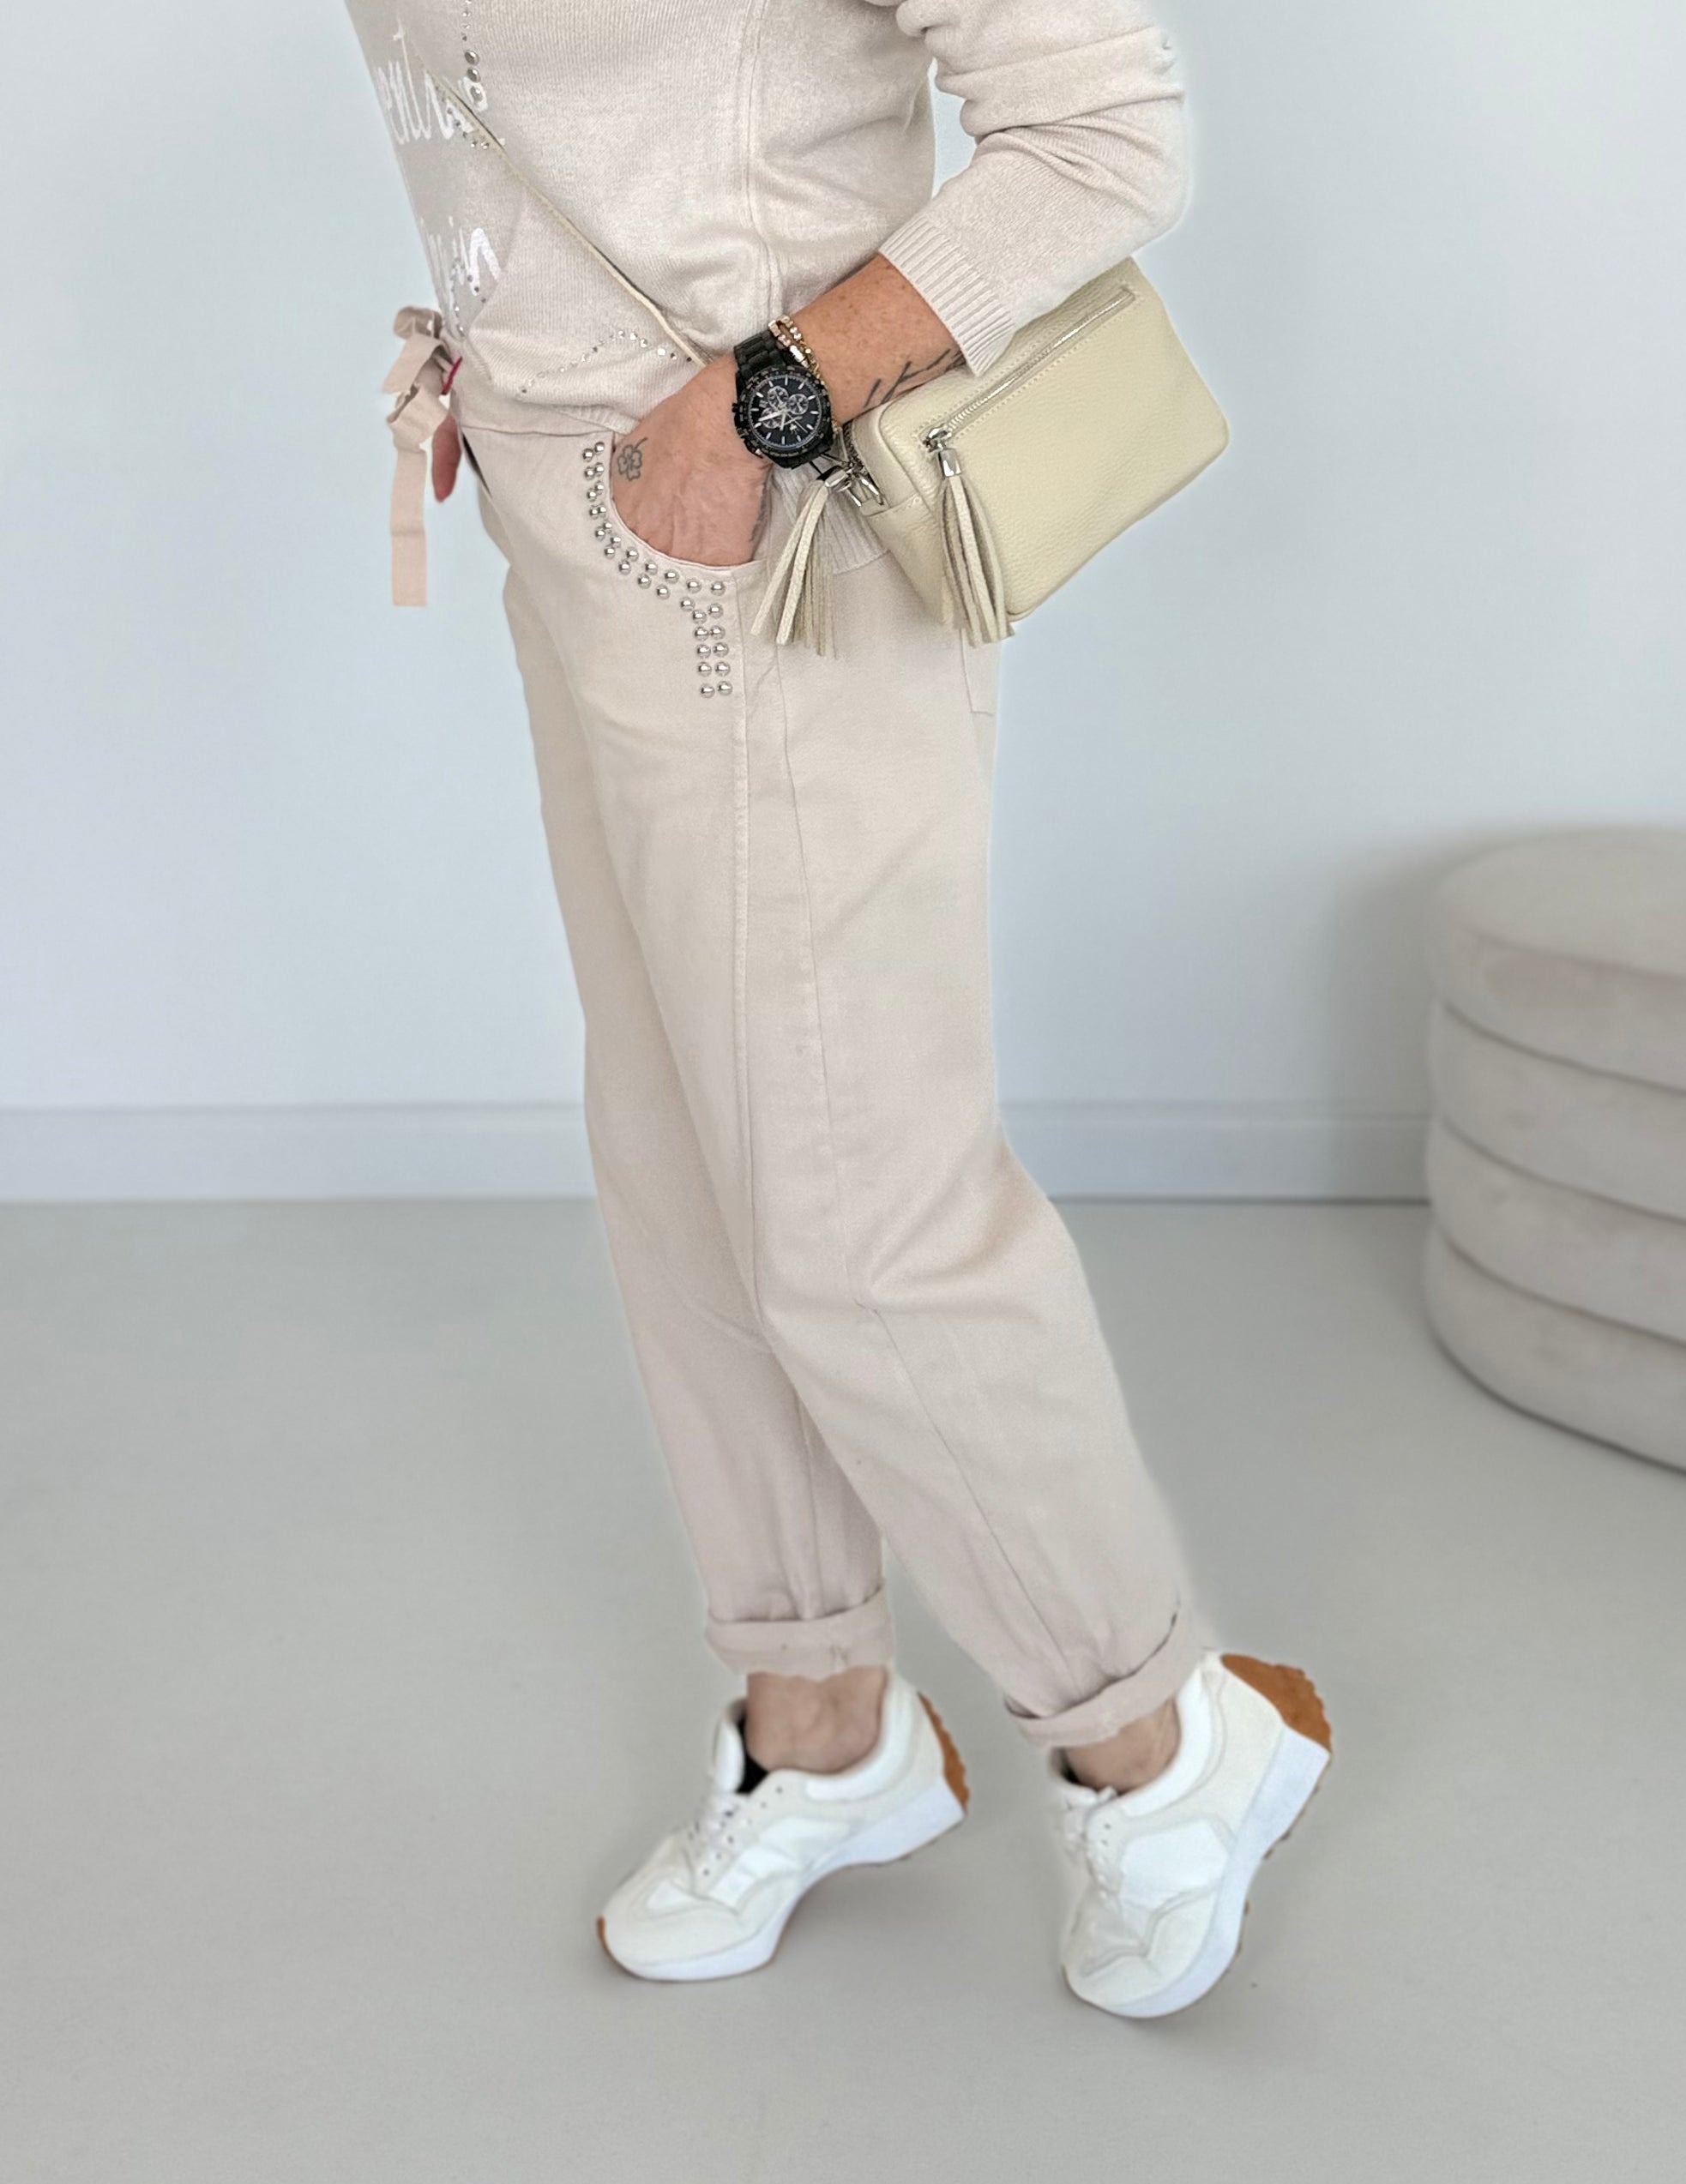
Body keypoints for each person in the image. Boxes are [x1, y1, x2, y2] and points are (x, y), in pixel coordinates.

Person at [344, 0, 1330, 2019]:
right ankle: (820, 1724)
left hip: (769, 535)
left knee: (859, 1212)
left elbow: (1102, 130)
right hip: (572, 517)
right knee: (685, 1177)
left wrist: (761, 402)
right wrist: (508, 350)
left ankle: (1156, 1740)